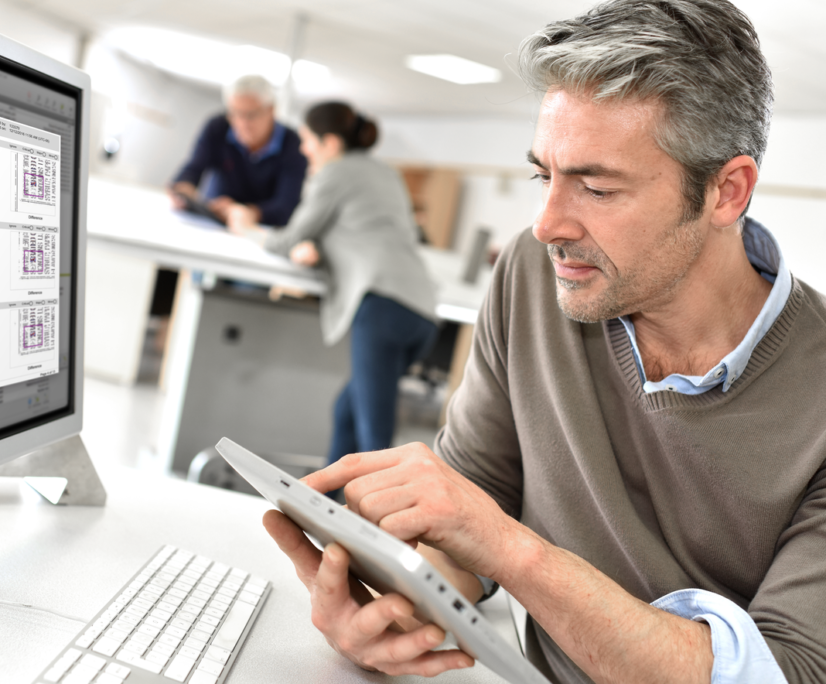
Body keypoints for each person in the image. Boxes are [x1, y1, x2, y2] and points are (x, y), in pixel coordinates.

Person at [262, 1, 826, 683]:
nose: (547, 225)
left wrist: (509, 548)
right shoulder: (534, 276)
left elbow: (787, 671)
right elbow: (473, 515)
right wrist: (391, 609)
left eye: (597, 187)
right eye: (543, 175)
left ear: (727, 192)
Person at [230, 101, 439, 474]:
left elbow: (289, 238)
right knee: (346, 411)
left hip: (382, 307)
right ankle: (327, 500)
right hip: (422, 310)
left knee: (374, 438)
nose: (302, 148)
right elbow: (365, 233)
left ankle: (377, 511)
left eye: (308, 140)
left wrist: (245, 228)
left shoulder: (335, 173)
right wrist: (318, 249)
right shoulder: (385, 173)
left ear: (330, 143)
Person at [169, 74, 307, 227]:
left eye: (251, 115)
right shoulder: (217, 127)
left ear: (270, 110)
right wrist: (183, 192)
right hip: (212, 220)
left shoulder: (294, 144)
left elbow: (287, 205)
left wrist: (246, 212)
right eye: (235, 113)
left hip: (258, 228)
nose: (242, 123)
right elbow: (193, 168)